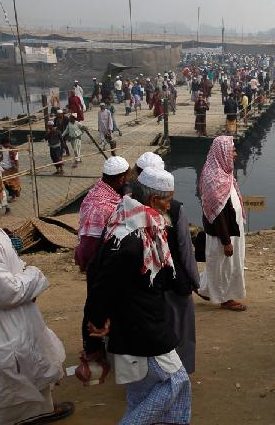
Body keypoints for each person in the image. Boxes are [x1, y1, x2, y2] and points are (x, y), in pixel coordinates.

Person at [0, 160, 74, 424]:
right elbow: (6, 292)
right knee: (11, 389)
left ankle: (41, 412)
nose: (4, 196)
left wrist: (23, 275)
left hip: (17, 320)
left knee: (30, 372)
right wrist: (34, 276)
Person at [84, 168, 191, 424]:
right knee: (177, 382)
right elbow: (102, 284)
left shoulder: (135, 222)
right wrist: (97, 323)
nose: (170, 206)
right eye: (167, 200)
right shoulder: (130, 239)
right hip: (141, 327)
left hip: (139, 322)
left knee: (142, 393)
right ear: (153, 200)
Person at [135, 153, 200, 374]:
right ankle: (179, 371)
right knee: (180, 327)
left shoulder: (124, 209)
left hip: (144, 285)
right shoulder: (175, 208)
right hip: (172, 280)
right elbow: (185, 248)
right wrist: (194, 280)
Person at [197, 136, 247, 311]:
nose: (235, 154)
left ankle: (203, 288)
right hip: (222, 233)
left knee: (220, 264)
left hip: (231, 229)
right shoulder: (215, 178)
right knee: (224, 265)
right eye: (233, 150)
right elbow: (217, 214)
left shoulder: (225, 174)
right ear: (223, 153)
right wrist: (226, 241)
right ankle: (225, 299)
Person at [75, 156, 130, 273]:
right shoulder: (100, 208)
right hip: (99, 263)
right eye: (128, 177)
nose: (129, 181)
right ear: (121, 179)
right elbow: (89, 242)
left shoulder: (98, 192)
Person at [0, 136, 21, 202]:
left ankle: (14, 195)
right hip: (3, 167)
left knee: (13, 182)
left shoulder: (13, 150)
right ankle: (14, 194)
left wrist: (16, 167)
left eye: (4, 144)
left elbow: (16, 159)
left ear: (7, 143)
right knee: (6, 183)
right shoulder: (2, 148)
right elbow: (1, 156)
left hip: (11, 168)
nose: (3, 145)